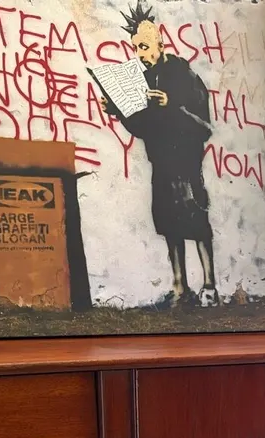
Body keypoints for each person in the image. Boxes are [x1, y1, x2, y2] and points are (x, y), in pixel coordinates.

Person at [101, 2, 220, 308]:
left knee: (197, 221)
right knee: (169, 224)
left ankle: (209, 286)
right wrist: (118, 111)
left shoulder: (183, 74)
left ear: (160, 42)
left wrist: (172, 106)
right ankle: (180, 286)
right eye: (136, 48)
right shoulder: (146, 79)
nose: (140, 53)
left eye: (144, 46)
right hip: (162, 165)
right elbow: (144, 128)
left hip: (186, 164)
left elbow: (204, 127)